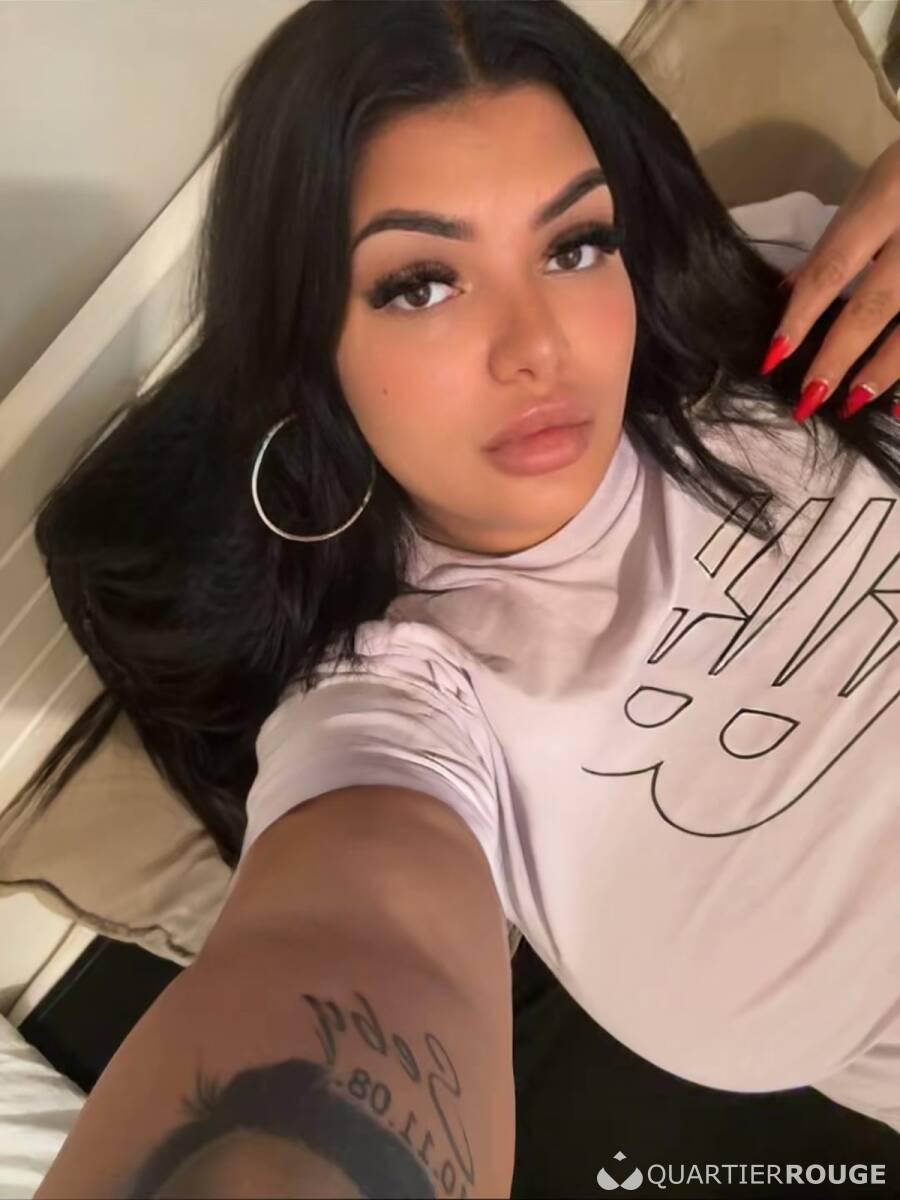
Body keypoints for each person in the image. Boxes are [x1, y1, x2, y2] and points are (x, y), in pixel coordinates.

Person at [24, 1, 900, 1196]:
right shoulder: (401, 703)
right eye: (422, 283)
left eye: (575, 245)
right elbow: (358, 925)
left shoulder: (801, 301)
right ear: (307, 343)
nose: (535, 345)